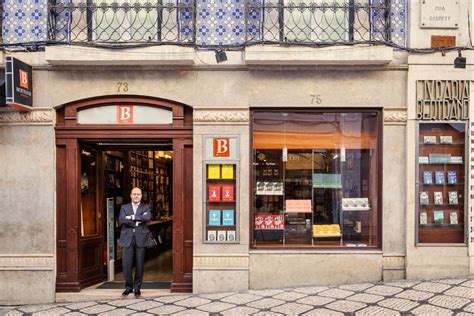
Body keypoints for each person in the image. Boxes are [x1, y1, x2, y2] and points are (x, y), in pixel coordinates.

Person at [119, 187, 151, 297]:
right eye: (134, 194)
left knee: (140, 264)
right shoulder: (124, 207)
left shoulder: (146, 207)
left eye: (138, 194)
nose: (136, 196)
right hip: (127, 239)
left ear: (141, 196)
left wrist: (131, 217)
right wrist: (137, 221)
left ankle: (137, 288)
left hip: (140, 239)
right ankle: (128, 287)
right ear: (131, 195)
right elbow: (122, 219)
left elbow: (147, 218)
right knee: (126, 265)